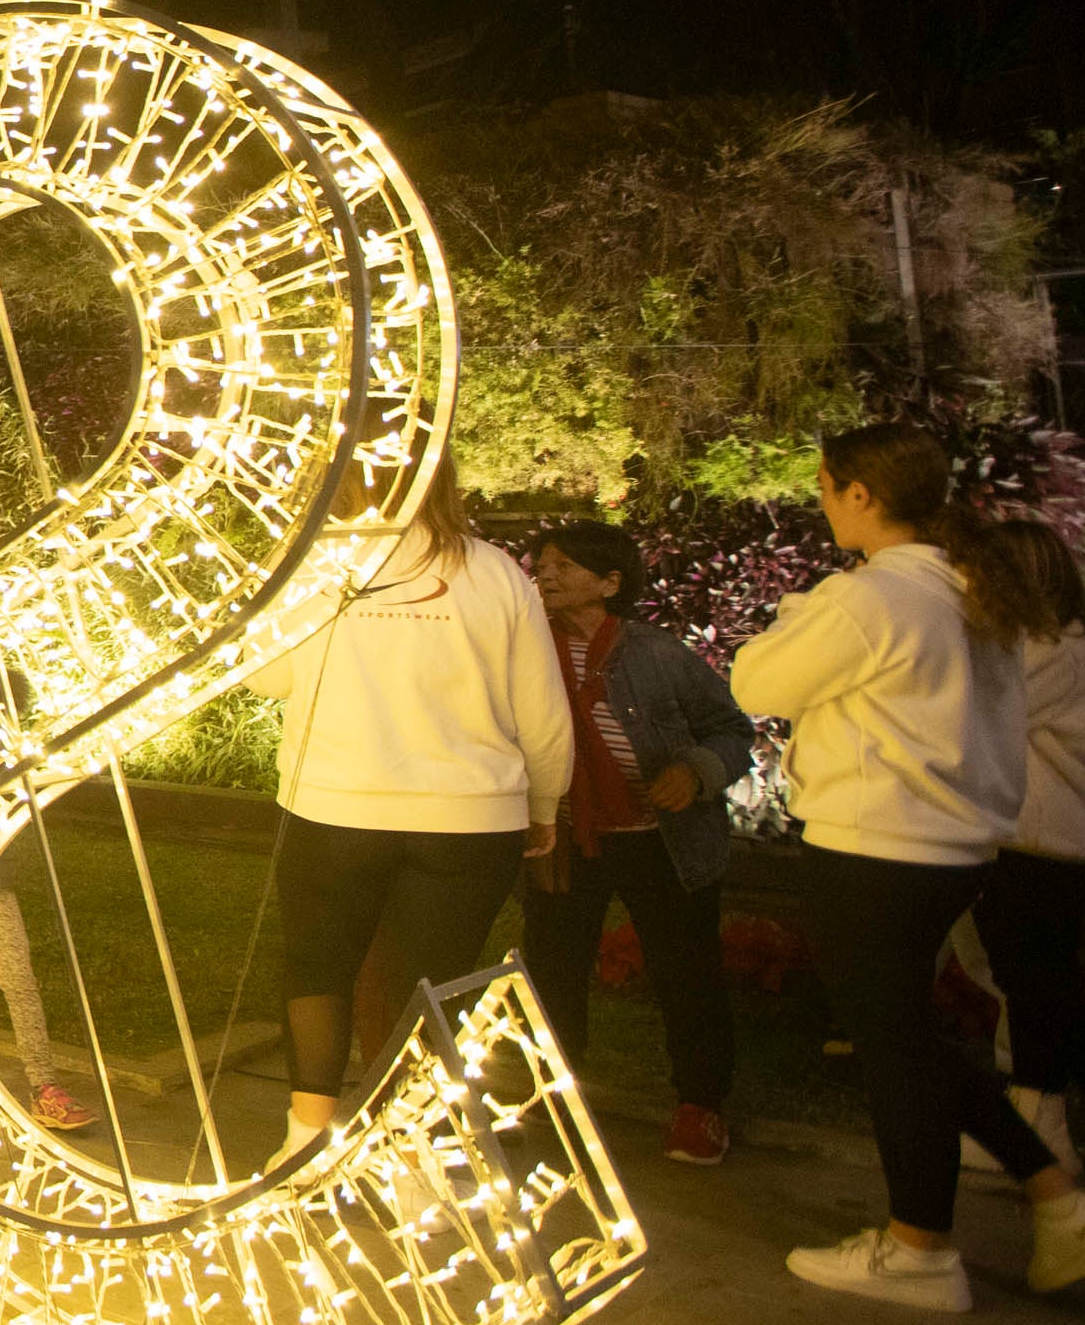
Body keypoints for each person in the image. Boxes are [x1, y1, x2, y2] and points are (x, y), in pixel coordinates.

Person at [734, 420, 1085, 1308]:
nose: (821, 501)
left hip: (872, 843)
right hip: (956, 846)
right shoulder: (972, 589)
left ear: (861, 494)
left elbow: (756, 684)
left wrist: (803, 612)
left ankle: (927, 1244)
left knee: (898, 1045)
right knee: (905, 1035)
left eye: (826, 486)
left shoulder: (872, 598)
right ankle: (1050, 1201)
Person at [247, 457, 571, 1160]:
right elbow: (543, 711)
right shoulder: (495, 572)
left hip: (335, 803)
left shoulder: (314, 564)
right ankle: (410, 1154)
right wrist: (545, 802)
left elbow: (268, 676)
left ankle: (304, 1141)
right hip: (471, 814)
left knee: (318, 965)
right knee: (433, 988)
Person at [520, 520, 757, 1166]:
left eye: (565, 565)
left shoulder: (656, 653)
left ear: (611, 581)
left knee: (686, 975)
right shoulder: (526, 648)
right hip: (567, 834)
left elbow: (732, 731)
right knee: (553, 970)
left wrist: (695, 771)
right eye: (543, 562)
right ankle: (557, 1095)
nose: (546, 573)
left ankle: (701, 1106)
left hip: (663, 838)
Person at [964, 513, 1085, 1202]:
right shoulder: (1076, 644)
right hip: (1044, 833)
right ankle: (1048, 1123)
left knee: (1044, 987)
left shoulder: (1047, 651)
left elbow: (980, 717)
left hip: (1031, 832)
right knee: (1039, 985)